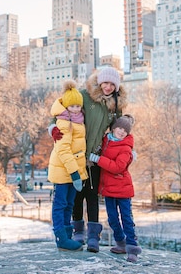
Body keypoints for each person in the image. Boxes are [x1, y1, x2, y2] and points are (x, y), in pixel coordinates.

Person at [49, 66, 127, 252]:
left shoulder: (115, 104)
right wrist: (53, 127)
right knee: (75, 196)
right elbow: (63, 108)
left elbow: (120, 129)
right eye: (105, 83)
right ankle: (77, 232)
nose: (108, 87)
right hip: (75, 155)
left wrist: (127, 146)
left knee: (92, 196)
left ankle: (93, 236)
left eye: (111, 84)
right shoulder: (84, 95)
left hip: (94, 156)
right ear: (99, 82)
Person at [88, 116, 142, 262]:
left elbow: (118, 167)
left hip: (122, 189)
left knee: (126, 219)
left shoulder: (125, 147)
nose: (122, 132)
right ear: (113, 128)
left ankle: (132, 248)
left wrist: (98, 160)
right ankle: (121, 243)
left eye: (125, 130)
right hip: (108, 189)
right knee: (112, 219)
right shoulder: (106, 140)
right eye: (119, 128)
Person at [47, 80, 88, 251]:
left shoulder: (78, 120)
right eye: (72, 106)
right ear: (66, 106)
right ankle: (61, 237)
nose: (76, 109)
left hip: (73, 171)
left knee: (69, 204)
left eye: (78, 106)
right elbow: (63, 151)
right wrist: (75, 174)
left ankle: (67, 235)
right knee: (60, 204)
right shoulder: (64, 122)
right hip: (64, 171)